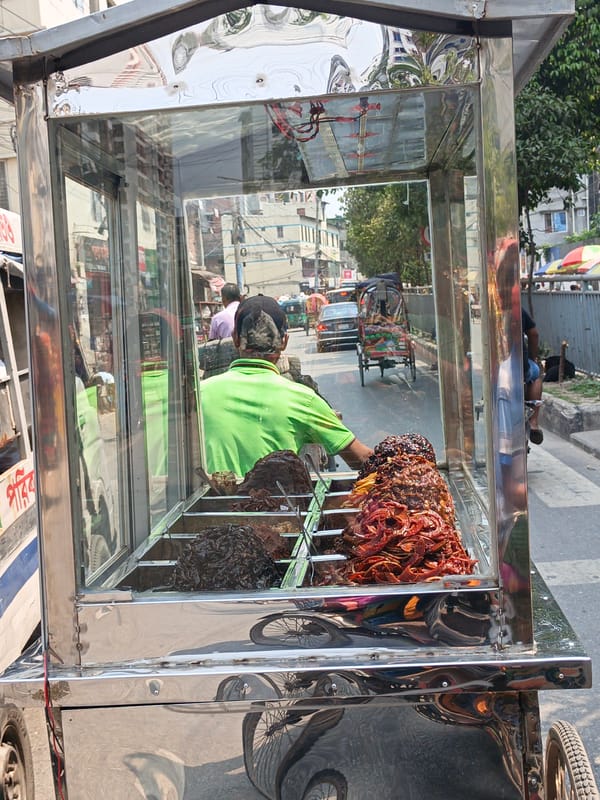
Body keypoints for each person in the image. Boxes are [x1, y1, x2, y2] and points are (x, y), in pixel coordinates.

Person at [200, 294, 373, 476]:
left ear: (235, 339)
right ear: (284, 341)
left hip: (209, 504)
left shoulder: (200, 394)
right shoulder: (303, 399)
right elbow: (362, 459)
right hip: (275, 503)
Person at [522, 308, 543, 444]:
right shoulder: (518, 310)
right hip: (520, 368)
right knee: (536, 375)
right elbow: (534, 334)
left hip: (493, 370)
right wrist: (532, 358)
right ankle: (534, 420)